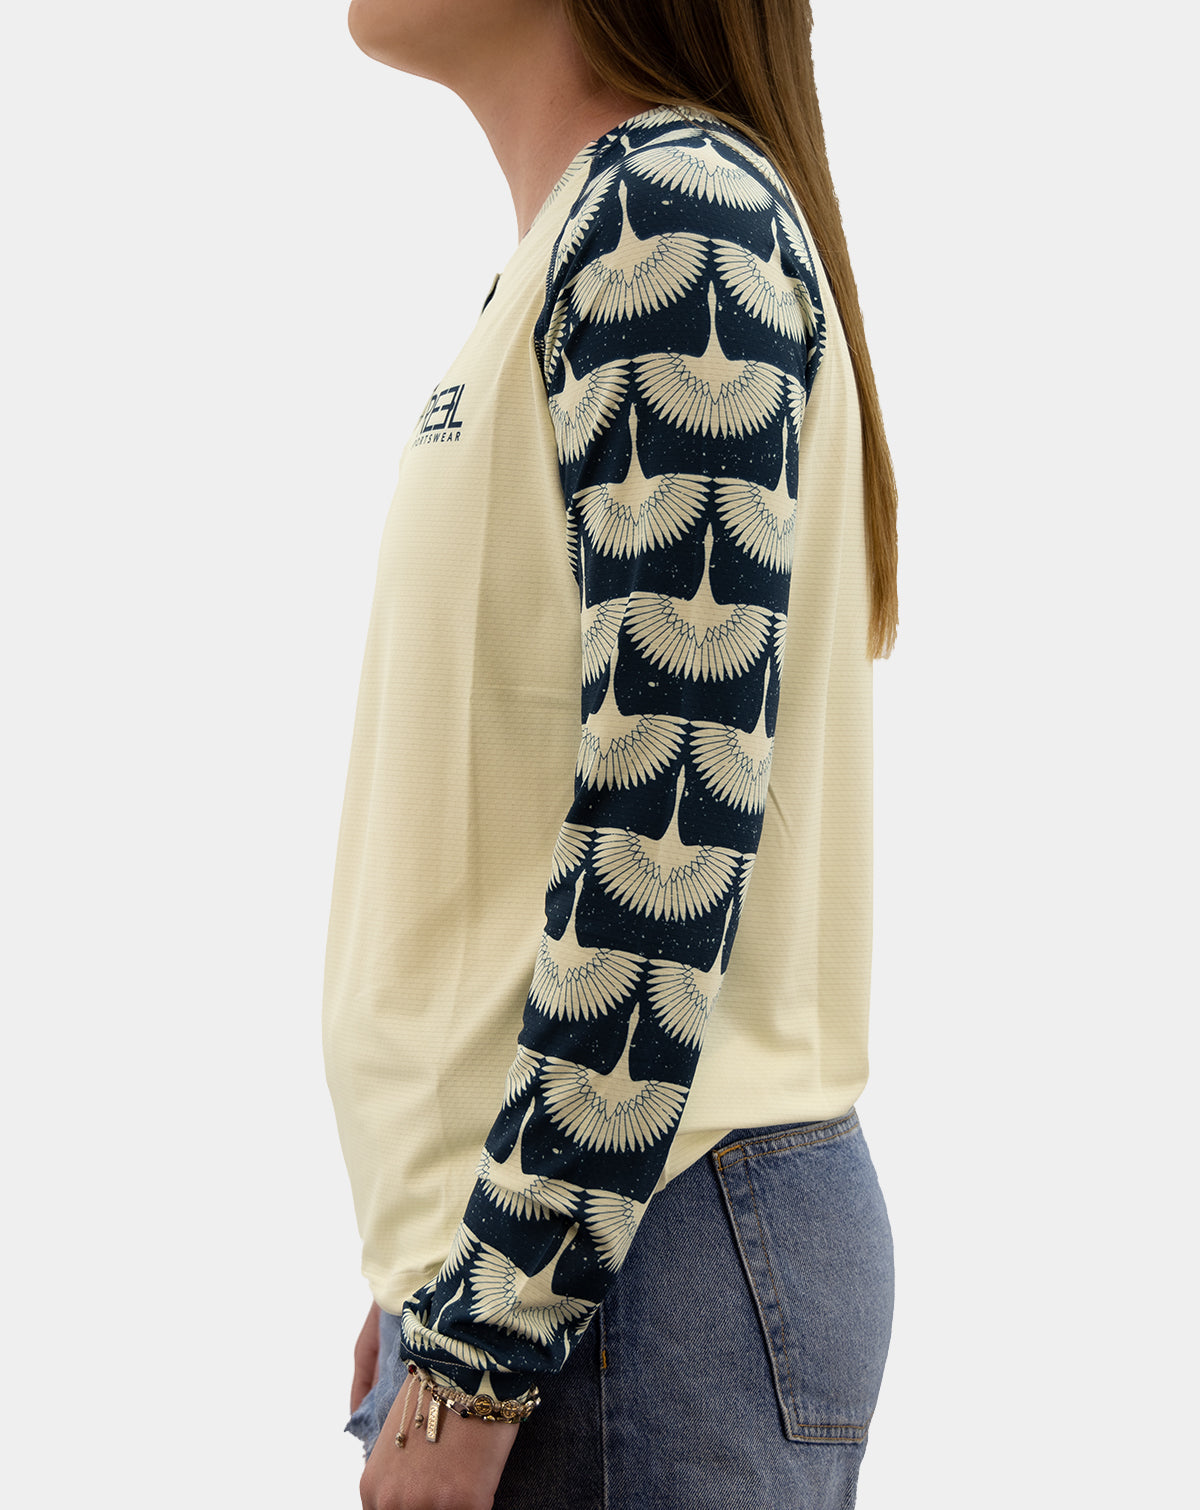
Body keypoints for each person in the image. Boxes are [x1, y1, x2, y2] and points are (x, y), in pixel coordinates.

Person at [321, 2, 900, 1506]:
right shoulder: (596, 237)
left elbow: (667, 813)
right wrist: (436, 1254)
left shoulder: (671, 217)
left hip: (630, 1273)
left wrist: (486, 1339)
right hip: (586, 1264)